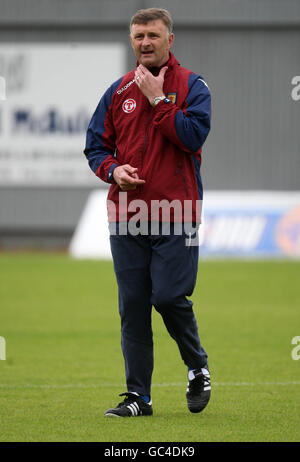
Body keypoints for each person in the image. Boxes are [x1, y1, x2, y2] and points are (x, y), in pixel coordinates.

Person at [84, 8, 211, 417]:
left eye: (153, 35)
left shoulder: (192, 86)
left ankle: (197, 367)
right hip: (128, 215)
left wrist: (158, 101)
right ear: (132, 40)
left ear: (169, 39)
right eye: (138, 36)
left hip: (177, 212)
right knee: (133, 305)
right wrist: (113, 169)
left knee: (170, 295)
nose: (145, 43)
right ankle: (139, 397)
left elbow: (192, 136)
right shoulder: (118, 90)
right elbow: (95, 147)